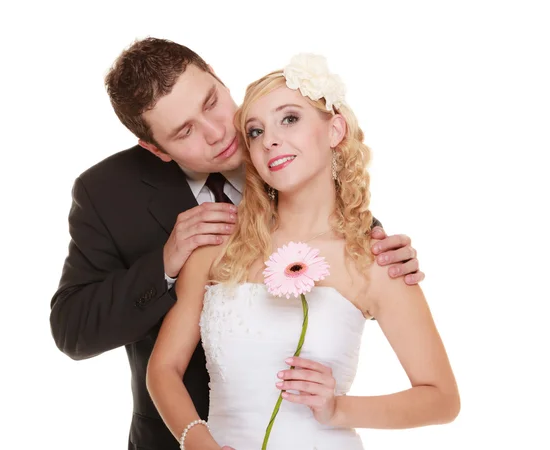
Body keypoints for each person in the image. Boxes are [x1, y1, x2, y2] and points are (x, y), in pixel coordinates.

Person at [50, 38, 424, 450]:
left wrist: (387, 261)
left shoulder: (283, 139)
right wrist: (165, 265)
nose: (216, 133)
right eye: (185, 131)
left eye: (211, 102)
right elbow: (73, 330)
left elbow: (346, 261)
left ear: (218, 76)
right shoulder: (106, 192)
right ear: (155, 149)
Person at [146, 54, 459, 450]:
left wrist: (338, 409)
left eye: (289, 119)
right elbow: (163, 369)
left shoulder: (376, 260)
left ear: (335, 130)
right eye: (255, 132)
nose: (270, 139)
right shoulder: (216, 248)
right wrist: (198, 442)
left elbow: (442, 400)